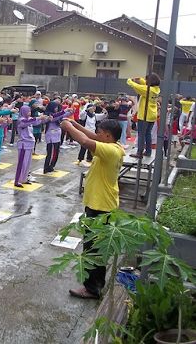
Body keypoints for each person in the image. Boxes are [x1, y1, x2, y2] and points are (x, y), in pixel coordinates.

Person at [60, 118, 124, 299]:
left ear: (107, 135)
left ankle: (92, 288)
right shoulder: (113, 147)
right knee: (95, 248)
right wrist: (76, 124)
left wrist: (68, 127)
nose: (97, 134)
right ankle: (95, 284)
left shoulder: (110, 150)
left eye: (99, 132)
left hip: (101, 207)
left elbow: (86, 141)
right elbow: (91, 137)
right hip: (101, 204)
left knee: (92, 249)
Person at [126, 73, 160, 158]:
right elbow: (144, 85)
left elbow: (137, 87)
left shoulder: (148, 90)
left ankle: (139, 152)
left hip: (145, 115)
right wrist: (140, 79)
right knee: (148, 134)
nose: (146, 81)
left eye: (147, 80)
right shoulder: (156, 89)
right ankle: (148, 151)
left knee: (141, 134)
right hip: (152, 115)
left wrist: (130, 80)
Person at [14, 107, 48, 187]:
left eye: (30, 111)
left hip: (29, 144)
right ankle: (17, 180)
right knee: (22, 163)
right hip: (23, 144)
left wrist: (45, 119)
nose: (29, 113)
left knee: (27, 163)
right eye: (28, 111)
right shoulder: (21, 120)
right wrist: (39, 117)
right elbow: (28, 121)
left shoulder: (29, 119)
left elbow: (36, 122)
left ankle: (24, 179)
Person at [43, 101, 73, 173]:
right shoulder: (48, 114)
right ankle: (47, 167)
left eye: (57, 107)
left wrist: (71, 112)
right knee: (51, 153)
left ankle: (52, 166)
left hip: (57, 136)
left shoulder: (58, 114)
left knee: (56, 152)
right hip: (51, 136)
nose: (56, 109)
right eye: (55, 107)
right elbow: (55, 117)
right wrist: (64, 111)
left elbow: (62, 116)